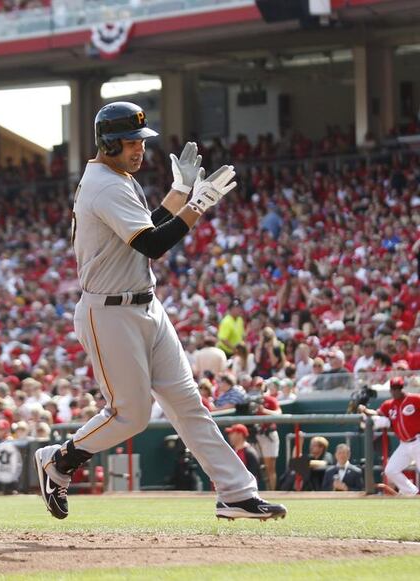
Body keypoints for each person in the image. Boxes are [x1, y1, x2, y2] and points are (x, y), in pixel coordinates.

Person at [34, 101, 285, 521]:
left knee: (189, 405)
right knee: (130, 415)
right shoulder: (106, 184)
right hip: (109, 312)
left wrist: (180, 194)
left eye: (140, 141)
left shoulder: (115, 177)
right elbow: (152, 244)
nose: (140, 149)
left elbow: (145, 226)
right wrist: (198, 204)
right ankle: (59, 461)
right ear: (109, 143)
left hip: (145, 305)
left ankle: (236, 493)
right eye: (131, 142)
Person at [359, 376, 420, 495]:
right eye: (394, 388)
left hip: (418, 440)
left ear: (402, 388)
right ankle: (413, 493)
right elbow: (376, 413)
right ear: (390, 390)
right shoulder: (389, 404)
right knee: (391, 470)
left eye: (398, 388)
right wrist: (365, 410)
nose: (396, 390)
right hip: (404, 444)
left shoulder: (415, 399)